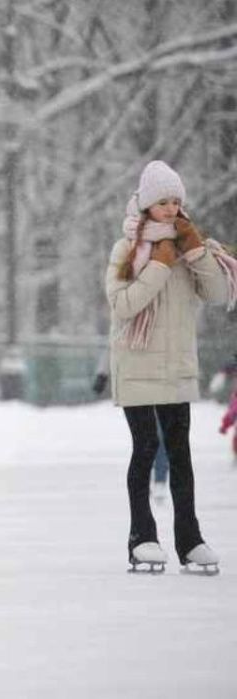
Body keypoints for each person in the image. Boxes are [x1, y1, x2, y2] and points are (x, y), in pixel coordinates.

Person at [105, 160, 237, 573]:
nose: (170, 208)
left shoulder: (187, 248)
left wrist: (196, 251)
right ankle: (141, 538)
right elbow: (123, 304)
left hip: (176, 366)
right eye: (162, 201)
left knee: (180, 453)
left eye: (176, 201)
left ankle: (190, 540)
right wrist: (160, 266)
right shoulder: (128, 249)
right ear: (146, 203)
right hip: (137, 365)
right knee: (145, 448)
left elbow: (218, 294)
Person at [93, 349, 170, 504]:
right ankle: (144, 483)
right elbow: (114, 344)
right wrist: (102, 374)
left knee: (157, 436)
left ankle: (159, 480)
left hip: (159, 381)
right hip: (135, 384)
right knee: (145, 439)